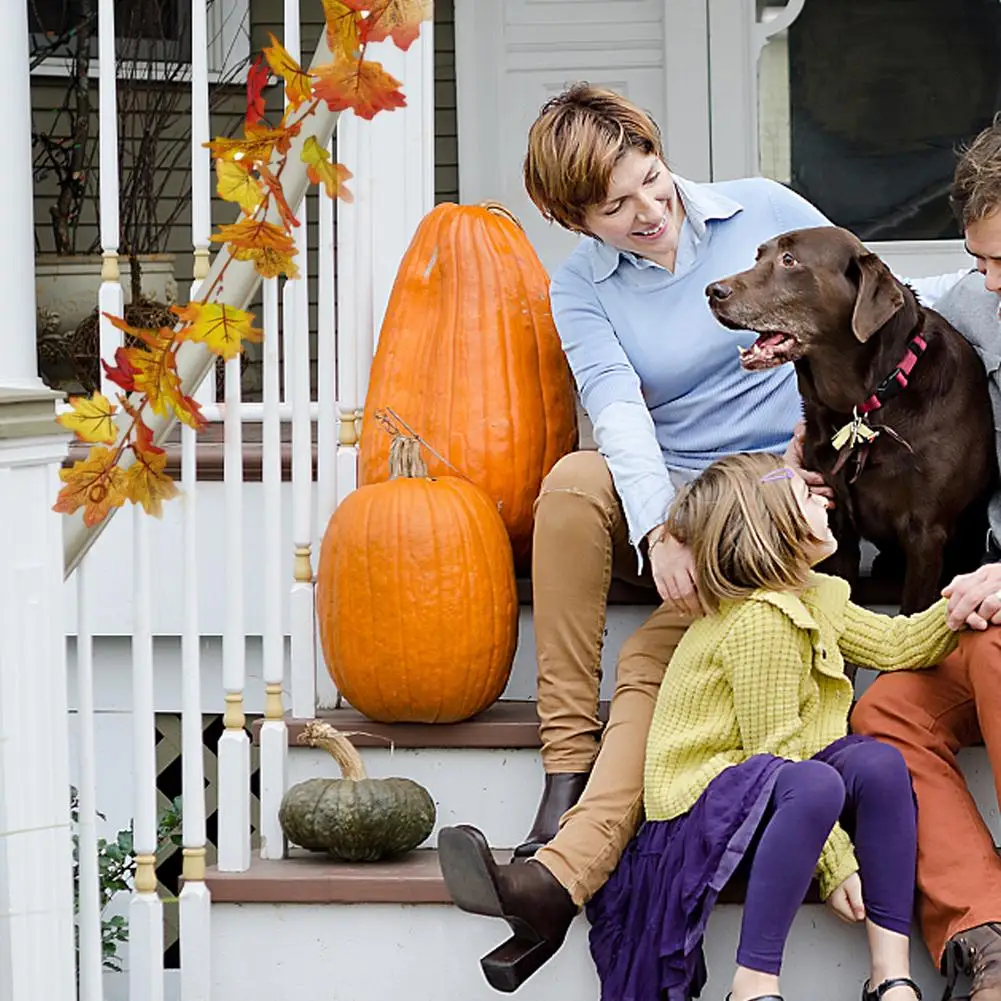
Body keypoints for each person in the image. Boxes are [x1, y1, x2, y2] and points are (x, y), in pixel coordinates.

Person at [437, 83, 834, 991]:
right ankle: (565, 765)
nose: (649, 212)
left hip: (778, 490)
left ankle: (556, 876)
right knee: (574, 484)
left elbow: (862, 293)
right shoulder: (580, 288)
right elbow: (617, 414)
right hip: (675, 488)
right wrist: (661, 528)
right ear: (570, 216)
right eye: (615, 207)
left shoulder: (761, 210)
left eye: (651, 181)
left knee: (659, 656)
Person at [586, 452, 960, 1001]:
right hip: (701, 799)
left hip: (769, 777)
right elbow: (778, 755)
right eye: (808, 499)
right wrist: (834, 865)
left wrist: (964, 604)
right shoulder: (762, 621)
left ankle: (890, 973)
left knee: (878, 763)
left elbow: (897, 644)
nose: (824, 498)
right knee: (815, 782)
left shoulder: (816, 594)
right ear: (771, 532)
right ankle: (754, 981)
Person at [852, 117, 1001, 1001]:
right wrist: (810, 439)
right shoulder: (974, 299)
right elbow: (881, 316)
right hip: (985, 598)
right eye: (981, 261)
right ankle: (984, 937)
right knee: (886, 718)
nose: (990, 284)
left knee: (987, 640)